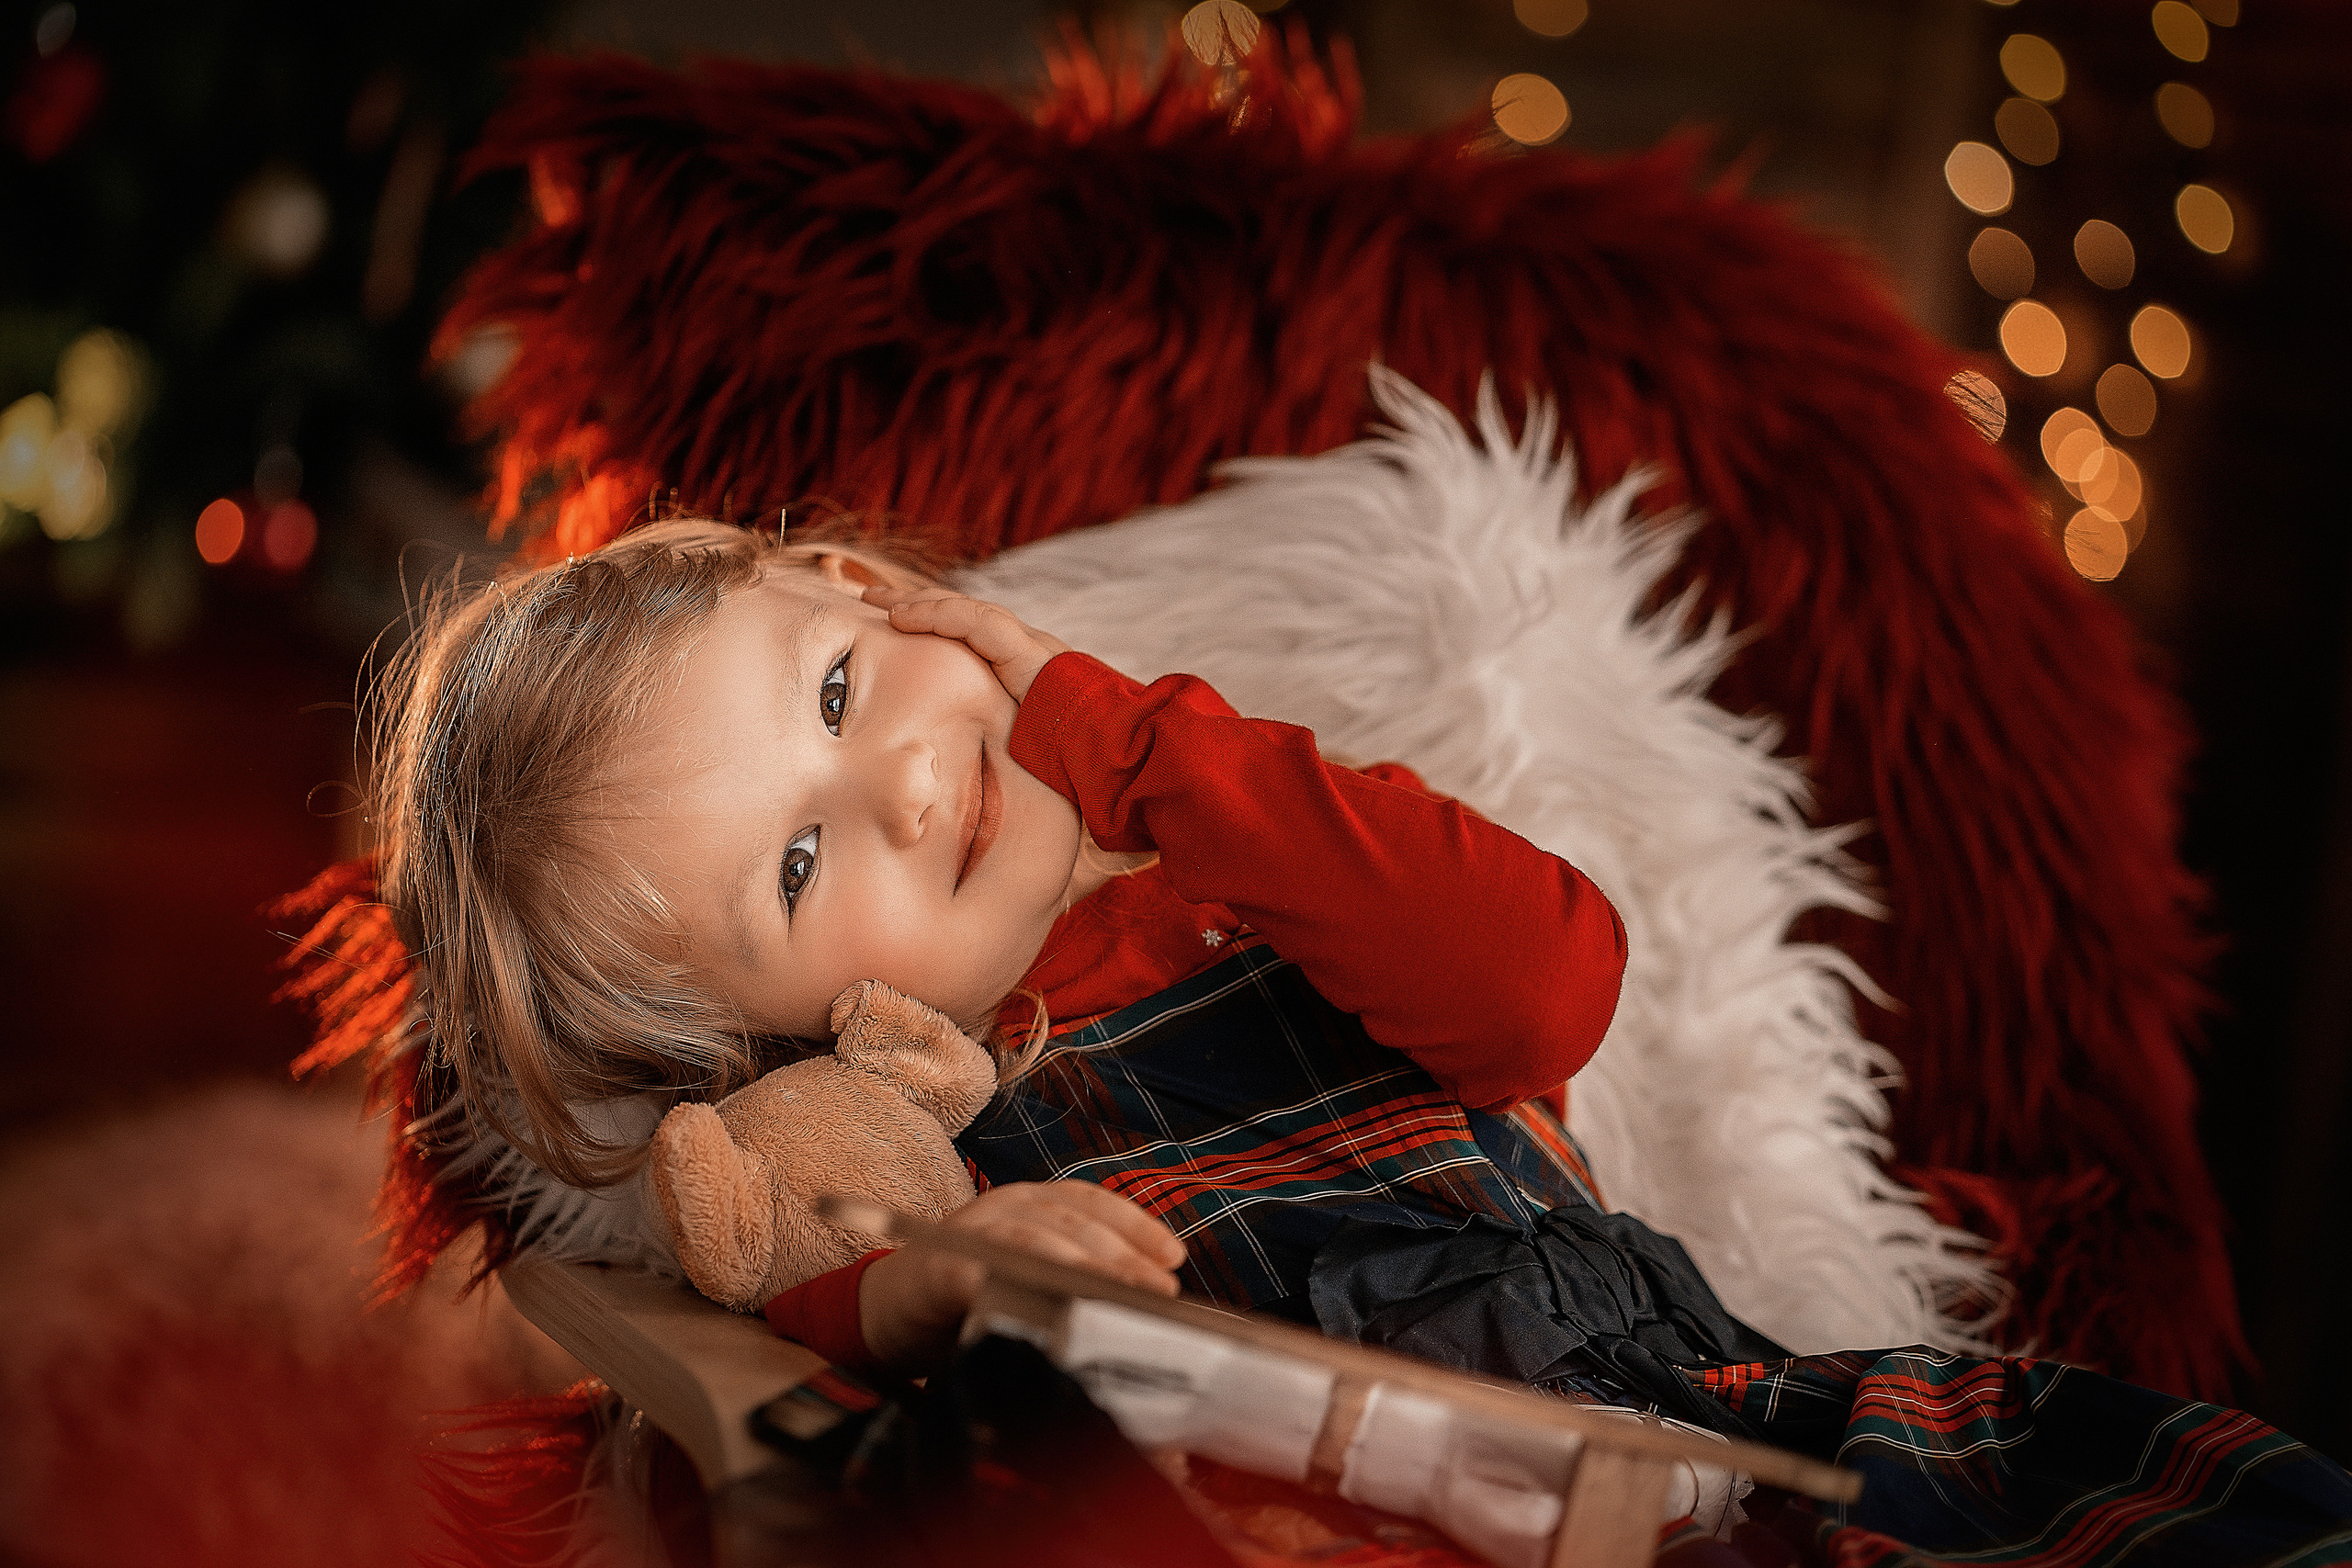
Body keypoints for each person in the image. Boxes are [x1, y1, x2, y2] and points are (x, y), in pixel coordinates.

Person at [369, 514, 1685, 1390]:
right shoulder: (898, 1128)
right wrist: (943, 1277)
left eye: (837, 692)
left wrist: (1132, 743)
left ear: (870, 592)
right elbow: (829, 1300)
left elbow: (1549, 997)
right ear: (755, 1037)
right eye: (797, 868)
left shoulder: (1278, 860)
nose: (909, 790)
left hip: (1651, 1409)